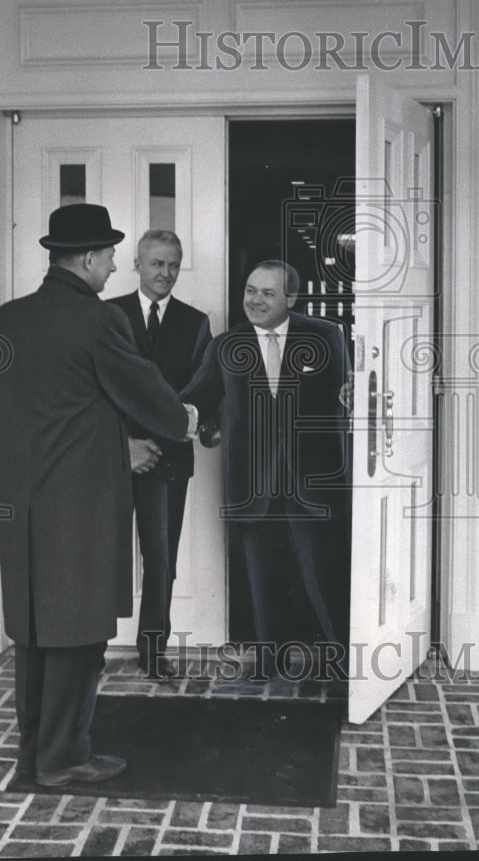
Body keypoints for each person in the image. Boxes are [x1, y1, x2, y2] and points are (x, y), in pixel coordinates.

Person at [0, 203, 195, 787]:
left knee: (32, 631)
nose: (109, 271)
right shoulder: (97, 320)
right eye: (106, 258)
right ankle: (63, 758)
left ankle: (34, 749)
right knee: (78, 633)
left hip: (23, 503)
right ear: (88, 258)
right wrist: (182, 420)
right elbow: (147, 396)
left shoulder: (5, 320)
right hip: (81, 505)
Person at [182, 260, 351, 680]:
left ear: (291, 298)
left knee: (324, 573)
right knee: (261, 576)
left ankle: (347, 663)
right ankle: (270, 664)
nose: (255, 300)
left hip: (313, 478)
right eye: (250, 290)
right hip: (252, 480)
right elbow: (196, 398)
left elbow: (345, 393)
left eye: (268, 293)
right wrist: (158, 419)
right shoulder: (226, 345)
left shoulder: (326, 336)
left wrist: (352, 396)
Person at [108, 230, 212, 680]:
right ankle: (91, 647)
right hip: (112, 455)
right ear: (137, 263)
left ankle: (153, 652)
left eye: (173, 265)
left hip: (168, 460)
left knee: (161, 558)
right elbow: (98, 387)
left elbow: (199, 388)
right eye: (156, 264)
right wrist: (125, 444)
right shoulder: (108, 314)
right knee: (102, 553)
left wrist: (166, 434)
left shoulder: (195, 321)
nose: (165, 273)